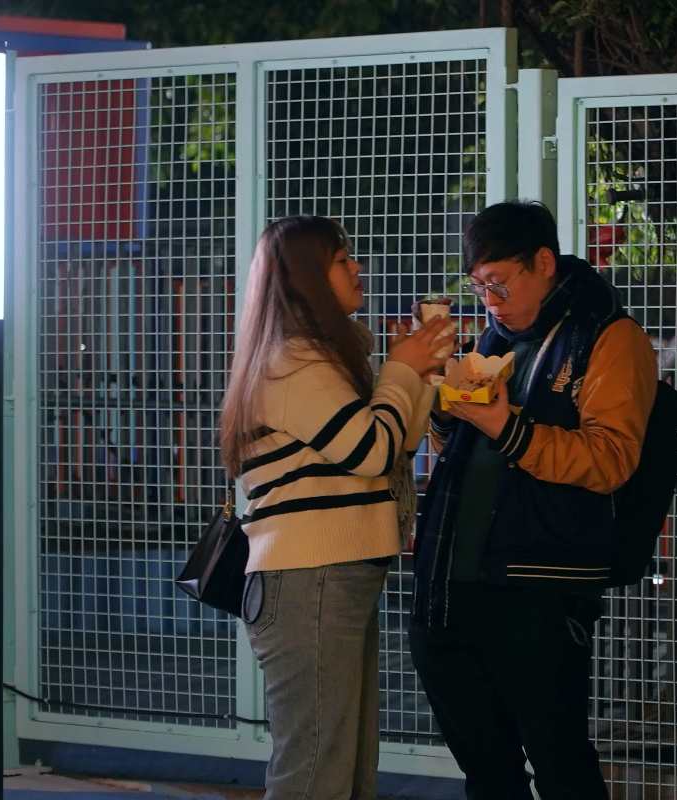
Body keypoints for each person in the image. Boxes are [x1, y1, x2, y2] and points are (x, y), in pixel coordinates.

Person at [408, 200, 659, 799]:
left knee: (560, 762)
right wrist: (441, 402)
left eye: (498, 284)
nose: (489, 302)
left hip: (540, 589)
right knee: (485, 769)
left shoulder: (608, 335)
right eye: (478, 287)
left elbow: (610, 459)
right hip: (450, 582)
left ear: (543, 262)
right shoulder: (494, 337)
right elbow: (456, 448)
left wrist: (506, 426)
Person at [219, 215, 451, 799]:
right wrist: (402, 368)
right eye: (342, 260)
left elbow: (394, 442)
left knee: (344, 768)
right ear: (307, 277)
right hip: (310, 578)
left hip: (330, 577)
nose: (357, 268)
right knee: (317, 772)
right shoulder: (293, 362)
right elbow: (371, 452)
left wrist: (419, 373)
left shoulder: (317, 356)